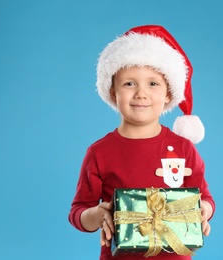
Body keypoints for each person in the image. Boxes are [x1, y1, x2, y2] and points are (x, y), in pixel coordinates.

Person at [68, 25, 215, 260]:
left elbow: (204, 198)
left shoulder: (184, 149)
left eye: (153, 83)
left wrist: (203, 211)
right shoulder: (99, 152)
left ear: (168, 93)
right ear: (113, 92)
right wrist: (97, 215)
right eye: (129, 84)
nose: (141, 93)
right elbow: (78, 212)